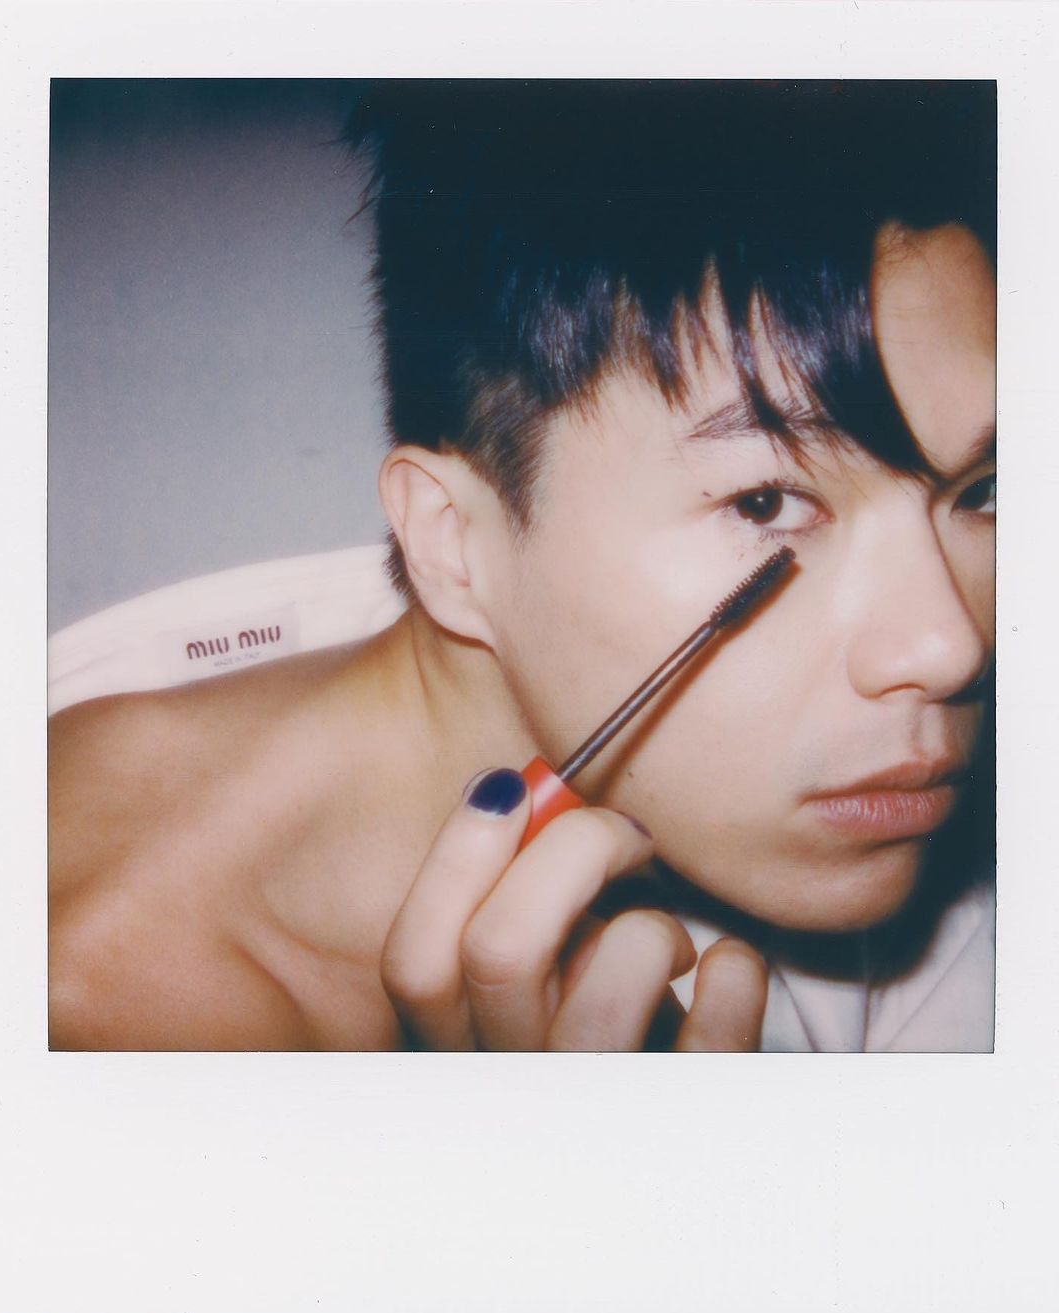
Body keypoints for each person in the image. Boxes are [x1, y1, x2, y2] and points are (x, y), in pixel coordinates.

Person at [48, 80, 996, 1052]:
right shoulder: (96, 1024)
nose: (951, 645)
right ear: (451, 542)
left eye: (983, 491)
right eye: (764, 502)